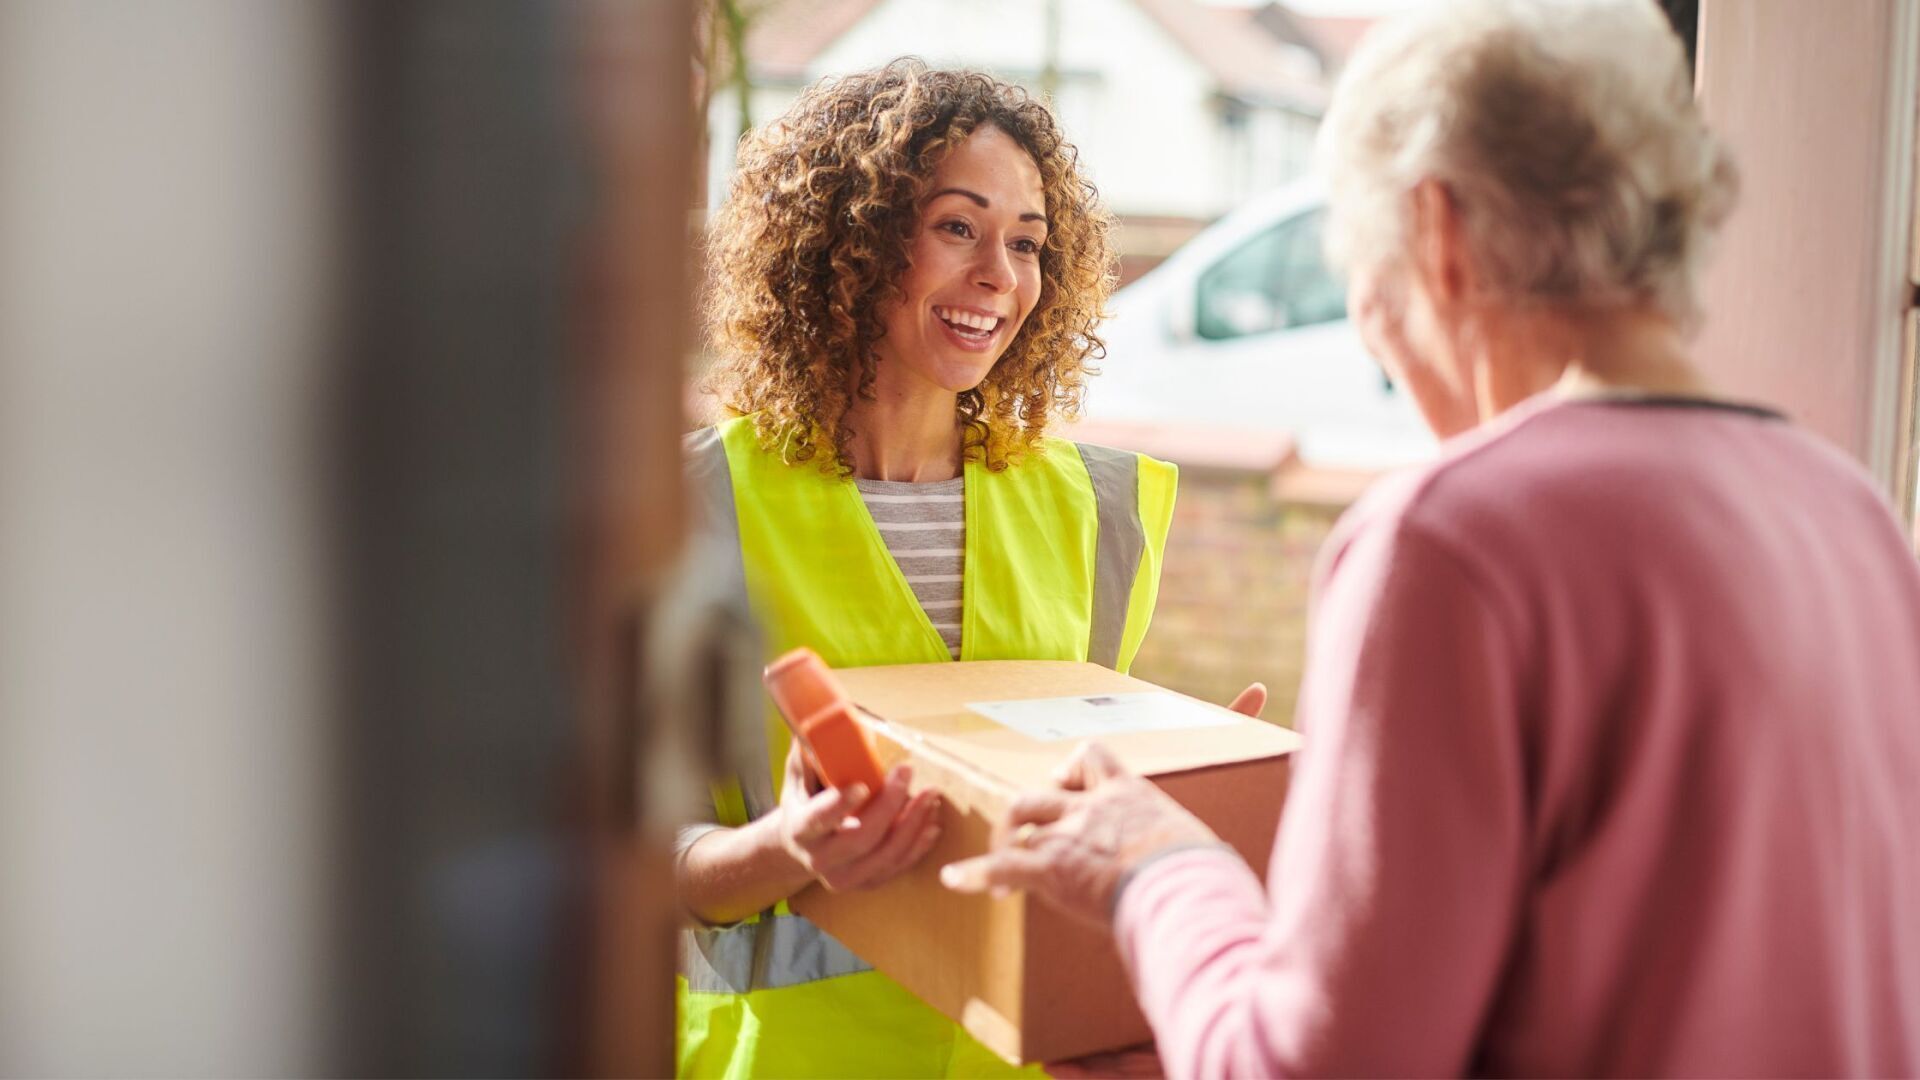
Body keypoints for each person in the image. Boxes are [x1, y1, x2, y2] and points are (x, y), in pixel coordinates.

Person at [944, 1, 1920, 1075]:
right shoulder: (1852, 516)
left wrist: (1157, 864)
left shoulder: (1458, 540)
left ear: (1440, 233)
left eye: (1366, 280)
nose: (1377, 334)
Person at [675, 61, 1255, 1078]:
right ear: (852, 239)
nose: (1001, 274)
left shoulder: (1098, 511)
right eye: (958, 227)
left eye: (1027, 242)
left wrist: (1194, 779)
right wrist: (789, 850)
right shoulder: (695, 507)